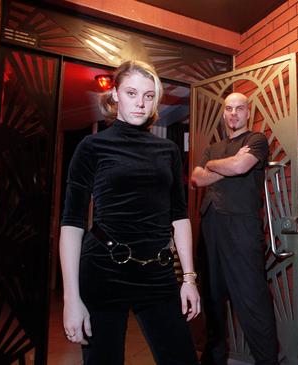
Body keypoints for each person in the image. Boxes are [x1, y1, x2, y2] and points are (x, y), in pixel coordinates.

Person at [59, 60, 200, 365]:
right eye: (132, 93)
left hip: (158, 272)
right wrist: (71, 298)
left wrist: (188, 278)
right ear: (115, 95)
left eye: (149, 96)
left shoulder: (168, 151)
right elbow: (72, 223)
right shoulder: (92, 146)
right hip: (104, 270)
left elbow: (179, 216)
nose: (140, 103)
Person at [191, 92, 278, 365]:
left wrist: (213, 167)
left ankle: (267, 361)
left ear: (247, 113)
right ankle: (214, 359)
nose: (233, 113)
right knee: (212, 299)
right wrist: (223, 166)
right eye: (229, 108)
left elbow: (241, 166)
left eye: (239, 108)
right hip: (210, 226)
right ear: (224, 113)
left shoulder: (256, 140)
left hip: (242, 227)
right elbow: (196, 178)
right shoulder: (213, 146)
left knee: (253, 299)